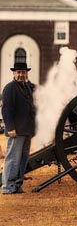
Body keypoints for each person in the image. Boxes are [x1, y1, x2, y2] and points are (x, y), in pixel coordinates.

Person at [1, 62, 36, 194]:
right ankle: (7, 187)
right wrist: (10, 128)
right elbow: (6, 110)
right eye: (18, 72)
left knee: (22, 160)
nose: (21, 74)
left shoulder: (27, 87)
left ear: (26, 73)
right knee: (12, 159)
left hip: (26, 130)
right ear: (14, 74)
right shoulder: (9, 88)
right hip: (16, 130)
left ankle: (17, 185)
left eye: (23, 72)